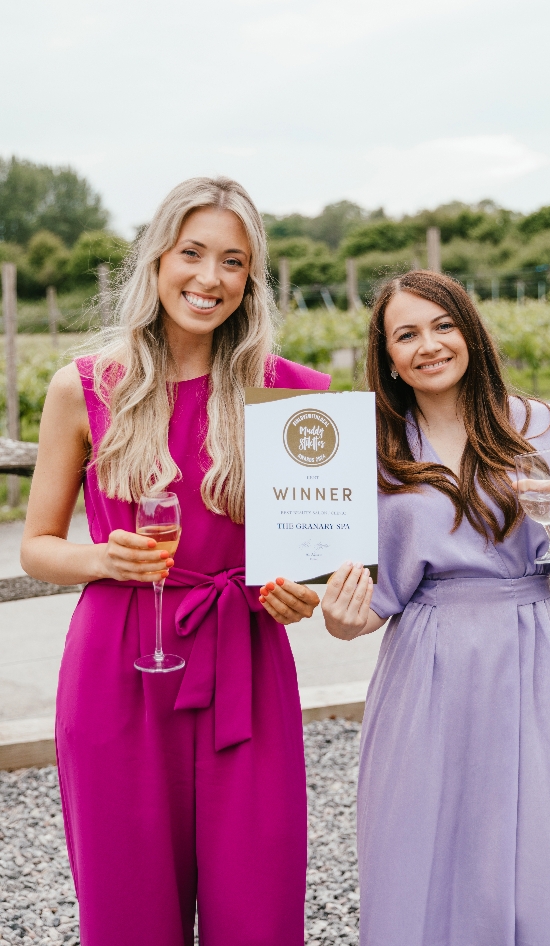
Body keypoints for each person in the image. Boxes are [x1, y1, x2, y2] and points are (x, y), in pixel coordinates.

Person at [265, 270, 550, 945]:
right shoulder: (369, 450)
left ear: (469, 331)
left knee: (534, 846)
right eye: (407, 334)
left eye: (442, 325)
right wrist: (339, 616)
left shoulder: (544, 425)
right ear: (388, 355)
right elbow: (363, 611)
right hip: (422, 665)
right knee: (419, 842)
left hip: (529, 653)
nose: (428, 344)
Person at [20, 176, 323, 946]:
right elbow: (37, 547)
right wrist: (101, 558)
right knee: (129, 911)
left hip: (246, 659)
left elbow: (311, 556)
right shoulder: (83, 386)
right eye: (193, 253)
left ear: (250, 279)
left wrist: (299, 592)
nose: (210, 278)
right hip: (118, 663)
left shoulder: (287, 393)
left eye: (233, 261)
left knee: (258, 908)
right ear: (156, 259)